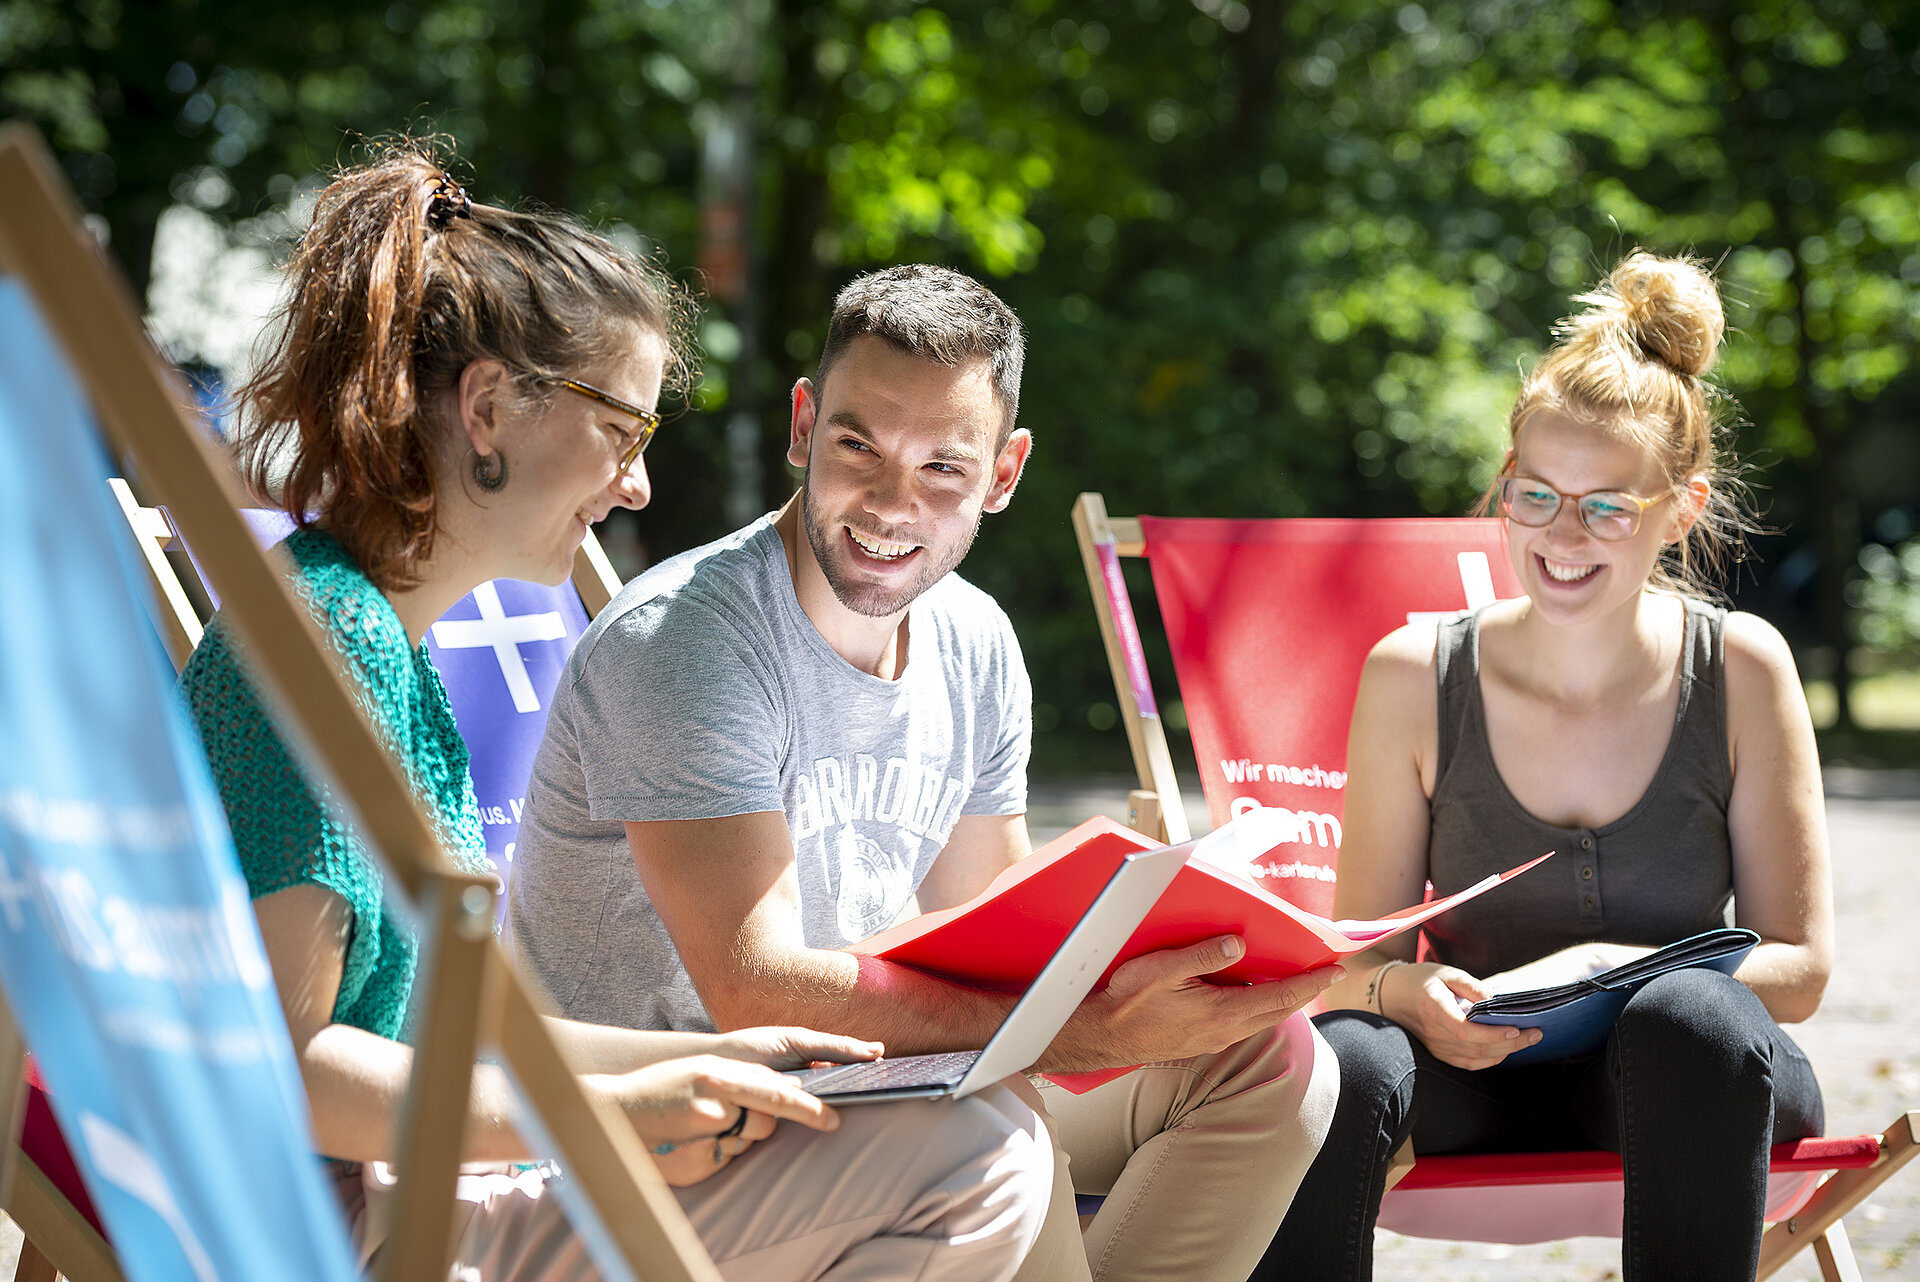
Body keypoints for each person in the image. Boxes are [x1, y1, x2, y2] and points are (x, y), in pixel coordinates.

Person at [180, 151, 1054, 1282]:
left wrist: (708, 1064)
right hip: (333, 1230)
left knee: (947, 1131)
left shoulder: (383, 647)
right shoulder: (328, 644)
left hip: (422, 1185)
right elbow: (282, 1074)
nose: (637, 486)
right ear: (490, 407)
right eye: (620, 432)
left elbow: (461, 1024)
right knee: (978, 1159)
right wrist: (612, 1115)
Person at [505, 263, 1343, 1282]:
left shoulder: (975, 642)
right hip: (679, 1122)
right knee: (995, 1121)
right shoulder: (689, 642)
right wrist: (1058, 1036)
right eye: (860, 445)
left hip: (881, 1086)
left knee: (1274, 1065)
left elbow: (993, 929)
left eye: (944, 466)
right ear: (804, 427)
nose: (892, 503)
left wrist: (1170, 953)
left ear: (1003, 473)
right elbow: (755, 991)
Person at [1257, 252, 1833, 1282]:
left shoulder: (1741, 667)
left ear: (1681, 508)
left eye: (1608, 506)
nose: (1564, 536)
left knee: (1688, 1015)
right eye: (1536, 495)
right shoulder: (1414, 675)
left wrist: (1627, 975)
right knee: (1340, 1054)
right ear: (1506, 486)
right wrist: (1410, 989)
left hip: (1691, 1080)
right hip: (1479, 1080)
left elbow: (1800, 968)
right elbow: (1348, 966)